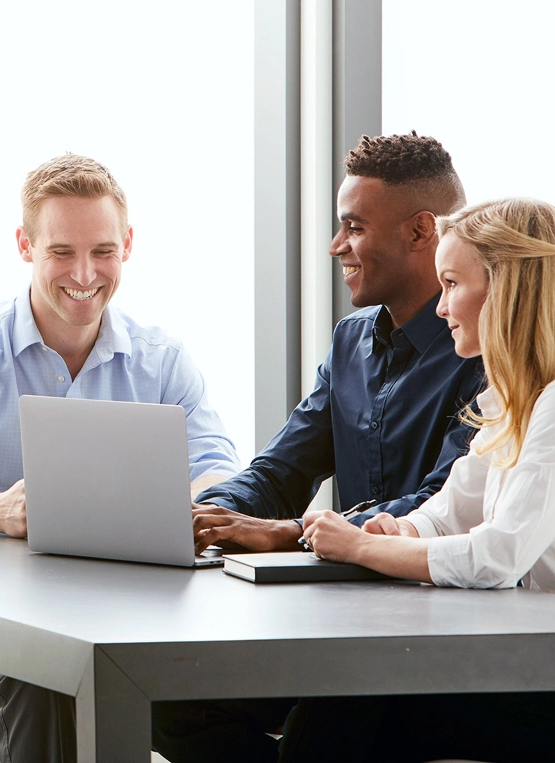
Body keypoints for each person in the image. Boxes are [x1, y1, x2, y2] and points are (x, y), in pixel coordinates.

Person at [153, 132, 486, 763]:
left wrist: (290, 534)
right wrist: (207, 515)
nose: (338, 246)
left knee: (320, 729)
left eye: (353, 227)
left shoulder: (480, 350)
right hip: (336, 622)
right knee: (172, 703)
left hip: (432, 635)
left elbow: (446, 502)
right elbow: (281, 468)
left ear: (421, 232)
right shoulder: (350, 341)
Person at [0, 153, 241, 763]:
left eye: (102, 251)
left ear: (128, 246)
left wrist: (202, 503)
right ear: (25, 246)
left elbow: (216, 464)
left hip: (120, 607)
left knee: (208, 676)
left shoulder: (163, 361)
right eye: (61, 252)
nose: (84, 273)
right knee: (44, 671)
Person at [288, 198, 555, 762]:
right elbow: (449, 510)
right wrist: (397, 530)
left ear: (509, 290)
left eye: (451, 285)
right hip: (545, 658)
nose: (441, 307)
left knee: (356, 699)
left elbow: (499, 556)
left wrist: (363, 547)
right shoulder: (514, 394)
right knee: (349, 695)